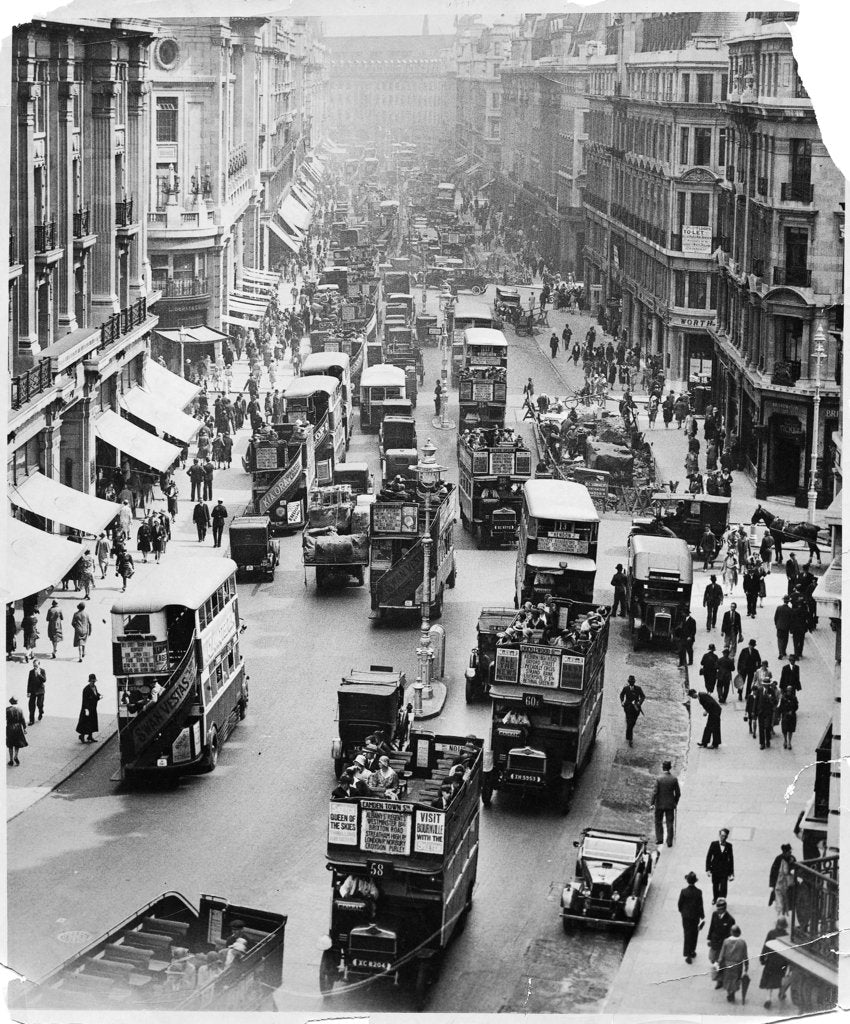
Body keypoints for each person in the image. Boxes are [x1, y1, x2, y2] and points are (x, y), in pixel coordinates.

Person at [759, 917, 790, 1009]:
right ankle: (781, 993)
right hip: (782, 962)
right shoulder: (786, 936)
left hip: (771, 961)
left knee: (769, 980)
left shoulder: (771, 933)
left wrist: (762, 958)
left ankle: (768, 998)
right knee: (781, 977)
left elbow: (766, 946)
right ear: (785, 926)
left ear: (777, 924)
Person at [651, 760, 680, 847]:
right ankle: (669, 841)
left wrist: (652, 803)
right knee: (669, 823)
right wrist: (675, 802)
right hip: (670, 805)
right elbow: (678, 793)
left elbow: (655, 792)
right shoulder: (674, 779)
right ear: (670, 768)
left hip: (659, 804)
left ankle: (659, 839)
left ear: (663, 767)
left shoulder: (659, 779)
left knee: (658, 822)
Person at [677, 871, 705, 964]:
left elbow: (680, 904)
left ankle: (687, 954)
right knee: (694, 934)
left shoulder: (684, 891)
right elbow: (700, 905)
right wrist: (702, 916)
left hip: (686, 916)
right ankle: (692, 950)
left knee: (687, 934)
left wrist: (682, 912)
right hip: (695, 916)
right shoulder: (699, 892)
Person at [717, 925, 749, 1003]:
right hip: (738, 965)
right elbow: (745, 955)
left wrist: (719, 962)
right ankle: (733, 992)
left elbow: (722, 953)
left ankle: (729, 992)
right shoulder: (742, 942)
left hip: (727, 964)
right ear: (739, 933)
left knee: (727, 979)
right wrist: (746, 965)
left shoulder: (726, 941)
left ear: (731, 932)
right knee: (735, 979)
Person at [705, 829, 735, 903]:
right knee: (715, 885)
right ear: (719, 835)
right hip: (715, 869)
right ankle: (715, 898)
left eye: (725, 836)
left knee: (724, 886)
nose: (723, 837)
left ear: (727, 837)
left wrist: (731, 873)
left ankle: (722, 899)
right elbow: (709, 856)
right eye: (722, 836)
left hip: (725, 870)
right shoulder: (714, 844)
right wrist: (708, 869)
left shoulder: (729, 846)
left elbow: (731, 859)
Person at [707, 898, 736, 971]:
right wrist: (709, 938)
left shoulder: (730, 919)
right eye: (717, 909)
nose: (718, 911)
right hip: (714, 940)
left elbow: (731, 934)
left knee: (719, 959)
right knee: (711, 958)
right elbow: (712, 926)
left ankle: (719, 969)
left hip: (722, 943)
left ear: (724, 909)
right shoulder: (714, 914)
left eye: (720, 909)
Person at [619, 675, 645, 747]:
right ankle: (630, 739)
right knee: (629, 722)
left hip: (636, 708)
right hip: (628, 708)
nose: (631, 683)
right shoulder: (626, 688)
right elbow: (621, 695)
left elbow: (643, 696)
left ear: (634, 682)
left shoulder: (638, 689)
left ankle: (628, 735)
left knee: (632, 723)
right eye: (630, 682)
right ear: (628, 682)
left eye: (632, 682)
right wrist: (622, 701)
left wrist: (639, 702)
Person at [75, 673, 102, 743]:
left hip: (93, 708)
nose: (93, 682)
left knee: (92, 722)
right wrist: (86, 709)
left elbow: (95, 694)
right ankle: (82, 736)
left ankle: (90, 736)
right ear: (89, 681)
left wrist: (99, 695)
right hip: (87, 709)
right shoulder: (86, 689)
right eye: (92, 681)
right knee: (85, 723)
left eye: (94, 681)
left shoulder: (95, 687)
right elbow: (85, 700)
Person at [6, 697, 28, 766]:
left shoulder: (7, 709)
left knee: (10, 744)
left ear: (10, 702)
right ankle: (16, 756)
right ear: (17, 702)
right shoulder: (20, 709)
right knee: (17, 743)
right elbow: (23, 719)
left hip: (10, 727)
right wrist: (24, 728)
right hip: (18, 728)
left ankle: (11, 760)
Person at [778, 685, 798, 750]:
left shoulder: (794, 698)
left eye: (790, 691)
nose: (789, 692)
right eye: (788, 691)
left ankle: (789, 742)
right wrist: (781, 714)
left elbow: (796, 706)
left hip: (792, 716)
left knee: (790, 730)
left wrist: (792, 711)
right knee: (784, 729)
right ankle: (785, 740)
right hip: (785, 716)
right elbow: (781, 707)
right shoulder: (783, 698)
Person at [26, 659, 46, 724]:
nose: (35, 667)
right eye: (34, 665)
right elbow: (29, 682)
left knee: (39, 704)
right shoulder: (31, 672)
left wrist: (39, 674)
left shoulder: (42, 671)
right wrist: (28, 692)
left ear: (39, 665)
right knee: (31, 706)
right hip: (33, 691)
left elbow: (44, 680)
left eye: (36, 666)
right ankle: (31, 720)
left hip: (40, 691)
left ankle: (41, 712)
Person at [774, 595, 793, 659]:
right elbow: (791, 619)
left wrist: (776, 624)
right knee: (785, 640)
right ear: (788, 602)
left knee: (779, 639)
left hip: (779, 627)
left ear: (783, 601)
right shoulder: (790, 610)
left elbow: (775, 617)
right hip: (786, 627)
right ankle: (783, 651)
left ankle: (780, 652)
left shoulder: (779, 608)